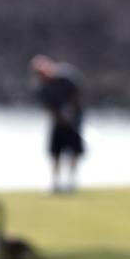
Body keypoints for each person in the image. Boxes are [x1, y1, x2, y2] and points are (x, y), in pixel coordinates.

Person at [30, 55, 86, 194]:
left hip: (75, 119)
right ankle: (55, 183)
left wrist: (70, 113)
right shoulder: (42, 87)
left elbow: (77, 96)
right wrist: (59, 118)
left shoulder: (66, 77)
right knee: (55, 152)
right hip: (58, 122)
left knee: (74, 151)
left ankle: (71, 182)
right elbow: (48, 108)